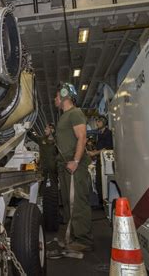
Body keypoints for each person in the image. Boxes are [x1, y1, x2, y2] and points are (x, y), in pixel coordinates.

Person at [54, 82, 93, 252]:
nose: (55, 99)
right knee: (69, 203)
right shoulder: (63, 116)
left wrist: (76, 161)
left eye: (57, 96)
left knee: (78, 202)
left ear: (64, 95)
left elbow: (82, 137)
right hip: (65, 164)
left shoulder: (75, 113)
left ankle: (84, 241)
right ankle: (73, 237)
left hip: (74, 164)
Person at [88, 115, 113, 206]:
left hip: (106, 161)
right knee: (99, 181)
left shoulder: (108, 133)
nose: (97, 123)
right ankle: (100, 201)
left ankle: (102, 202)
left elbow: (107, 148)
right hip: (100, 160)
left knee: (103, 182)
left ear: (103, 122)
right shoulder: (99, 134)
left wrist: (95, 153)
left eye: (98, 121)